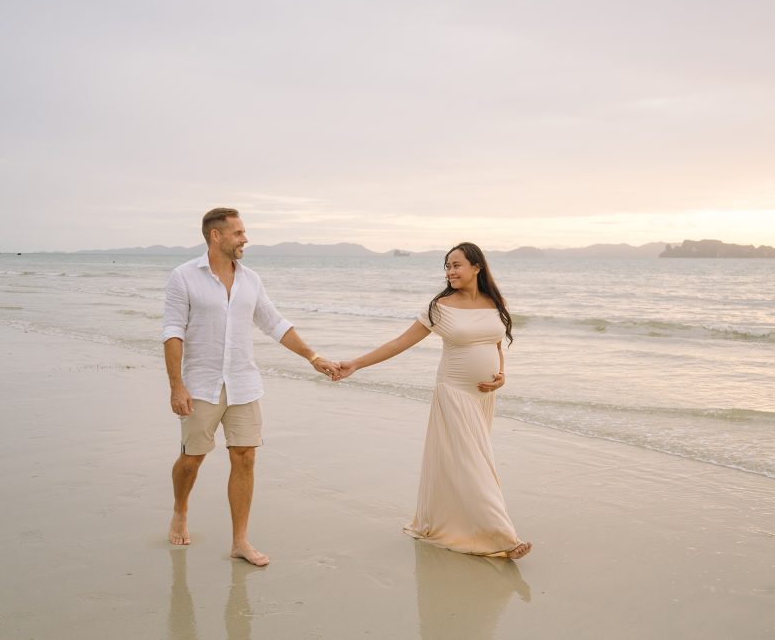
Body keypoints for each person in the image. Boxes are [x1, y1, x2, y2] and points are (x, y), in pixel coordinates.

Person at [162, 207, 339, 566]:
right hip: (202, 384)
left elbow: (274, 323)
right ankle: (180, 509)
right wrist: (176, 385)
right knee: (192, 459)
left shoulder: (251, 280)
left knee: (245, 457)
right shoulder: (183, 277)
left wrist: (312, 356)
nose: (245, 239)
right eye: (239, 233)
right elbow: (173, 332)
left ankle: (240, 541)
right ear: (216, 236)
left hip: (244, 383)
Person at [338, 242, 531, 559]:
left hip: (482, 397)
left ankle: (451, 521)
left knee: (467, 462)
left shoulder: (494, 302)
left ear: (476, 268)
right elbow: (401, 341)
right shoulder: (441, 307)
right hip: (453, 393)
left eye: (457, 265)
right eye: (447, 266)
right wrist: (356, 363)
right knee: (474, 463)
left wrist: (502, 375)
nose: (451, 271)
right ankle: (503, 537)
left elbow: (496, 344)